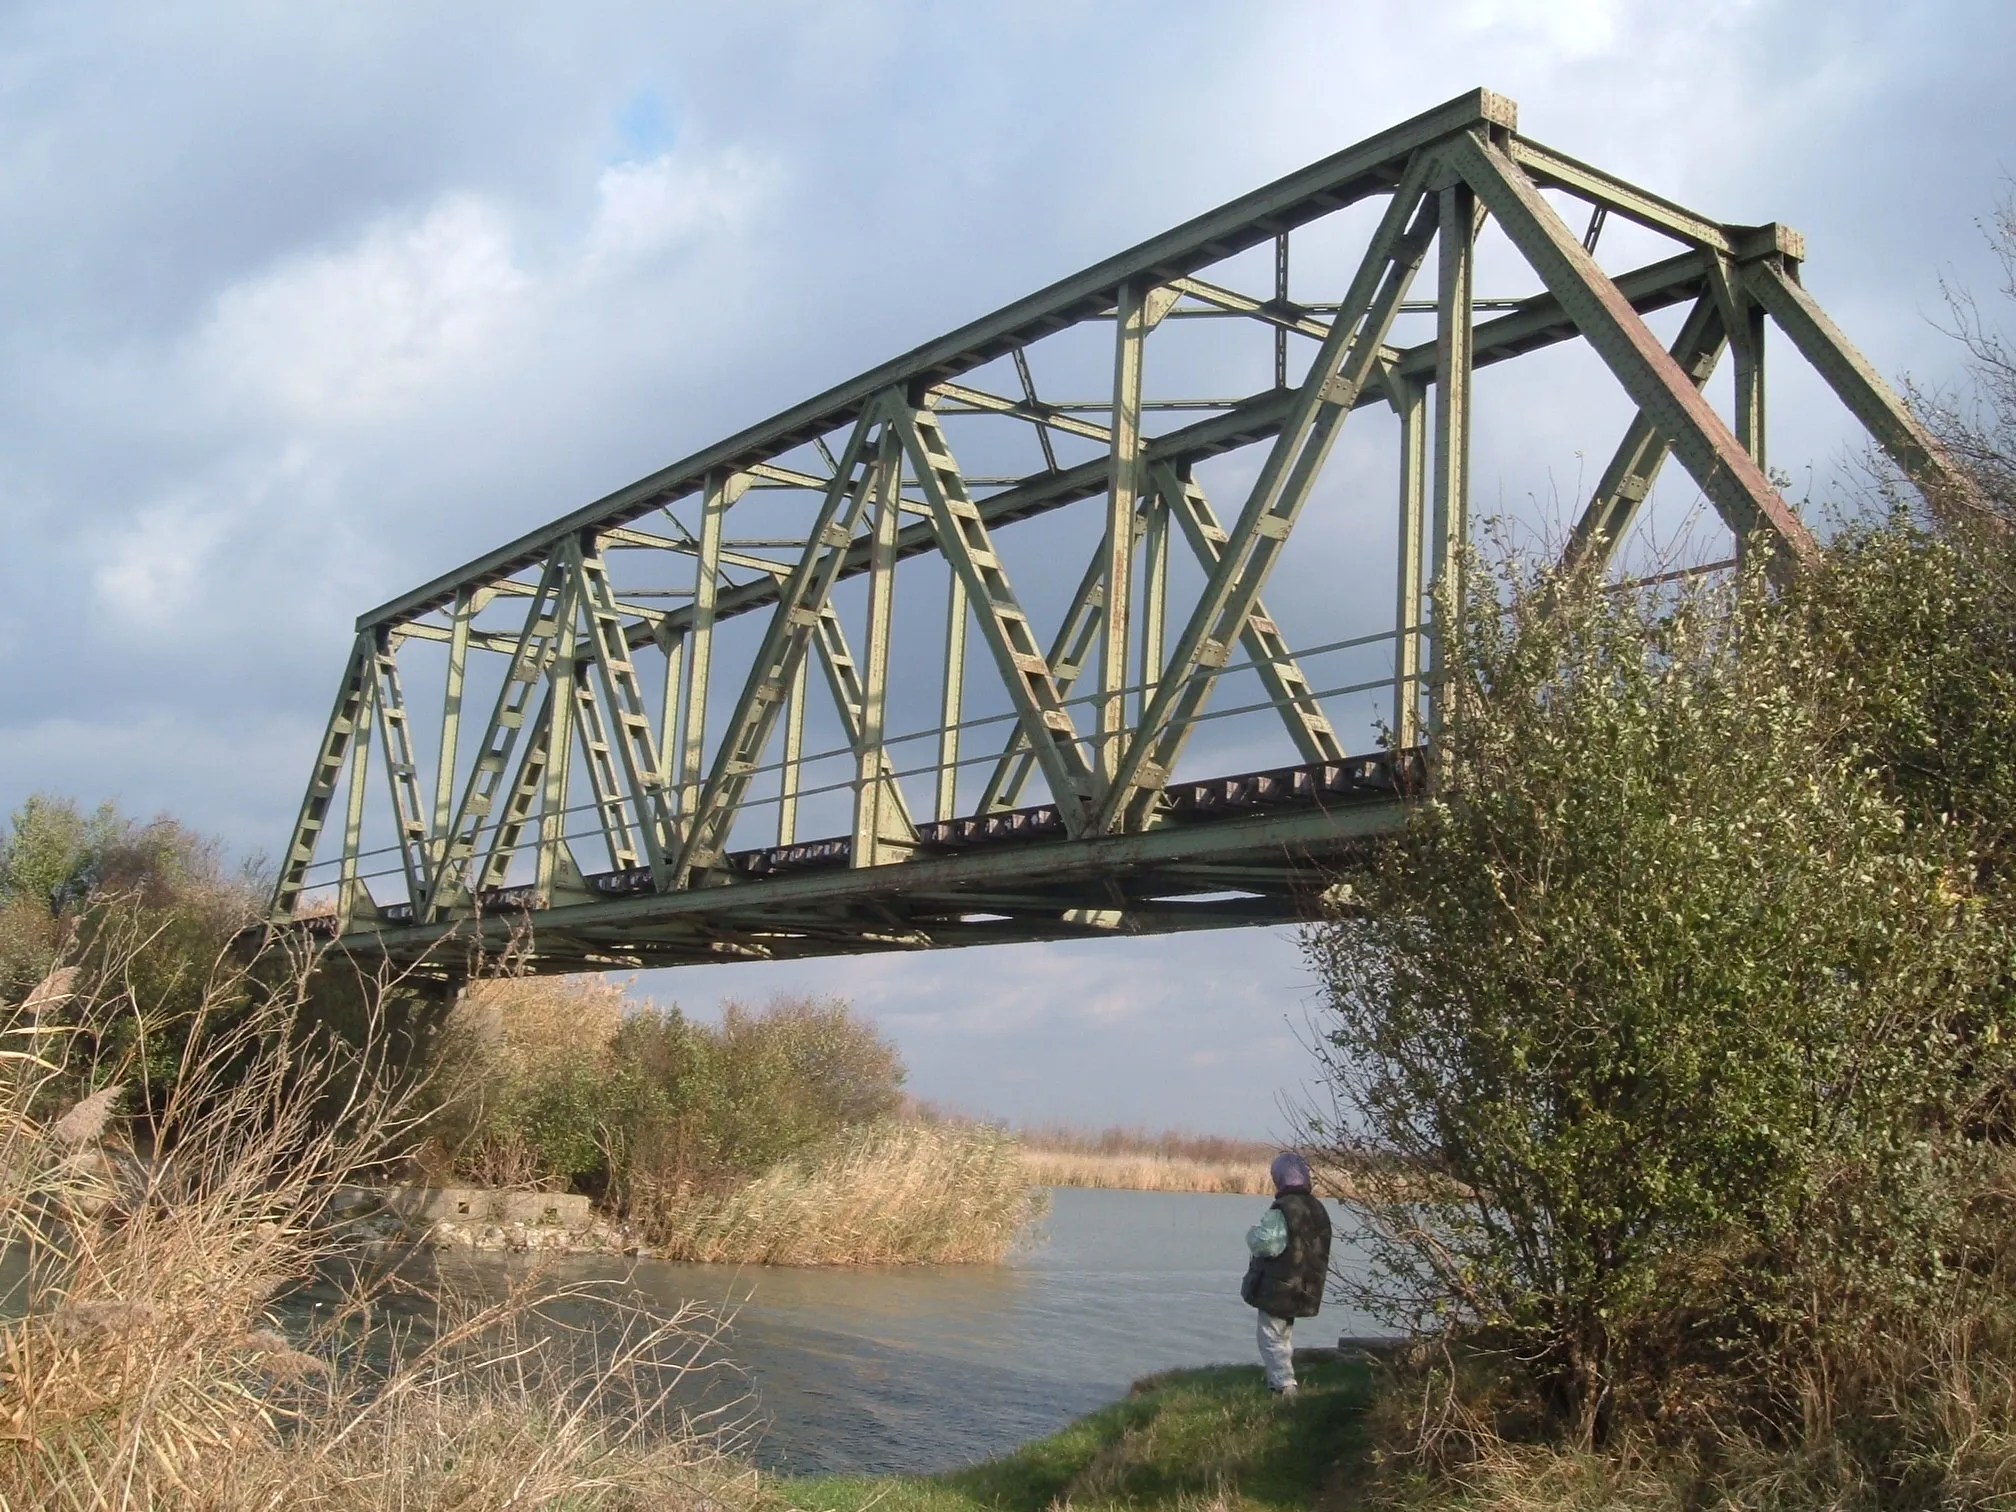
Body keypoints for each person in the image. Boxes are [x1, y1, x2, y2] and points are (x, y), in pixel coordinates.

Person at [1241, 1150, 1331, 1396]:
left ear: (1279, 1178)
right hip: (1307, 1284)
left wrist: (1252, 1233)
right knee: (1283, 1336)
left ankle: (1285, 1388)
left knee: (1271, 1337)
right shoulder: (1318, 1208)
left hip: (1279, 1285)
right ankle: (1277, 1384)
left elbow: (1267, 1245)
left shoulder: (1283, 1208)